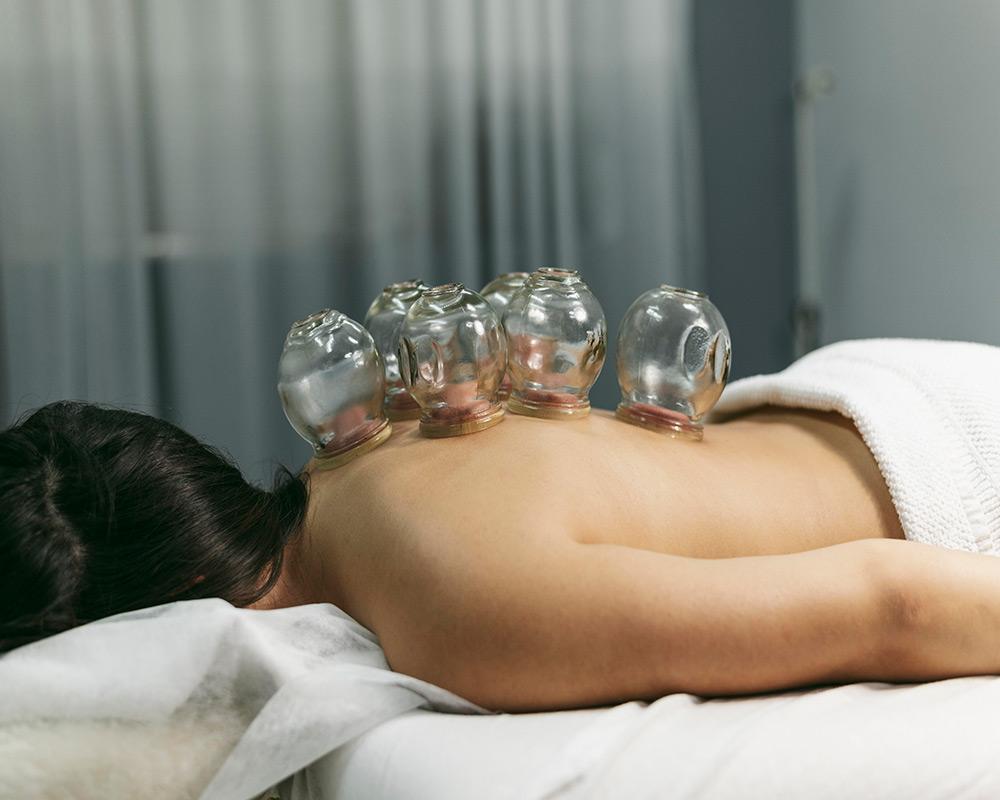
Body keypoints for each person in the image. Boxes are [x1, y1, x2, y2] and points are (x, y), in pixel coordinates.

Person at [2, 387, 1000, 712]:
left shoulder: (453, 609)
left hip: (957, 470)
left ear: (169, 606)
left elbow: (896, 603)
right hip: (852, 404)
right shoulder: (353, 455)